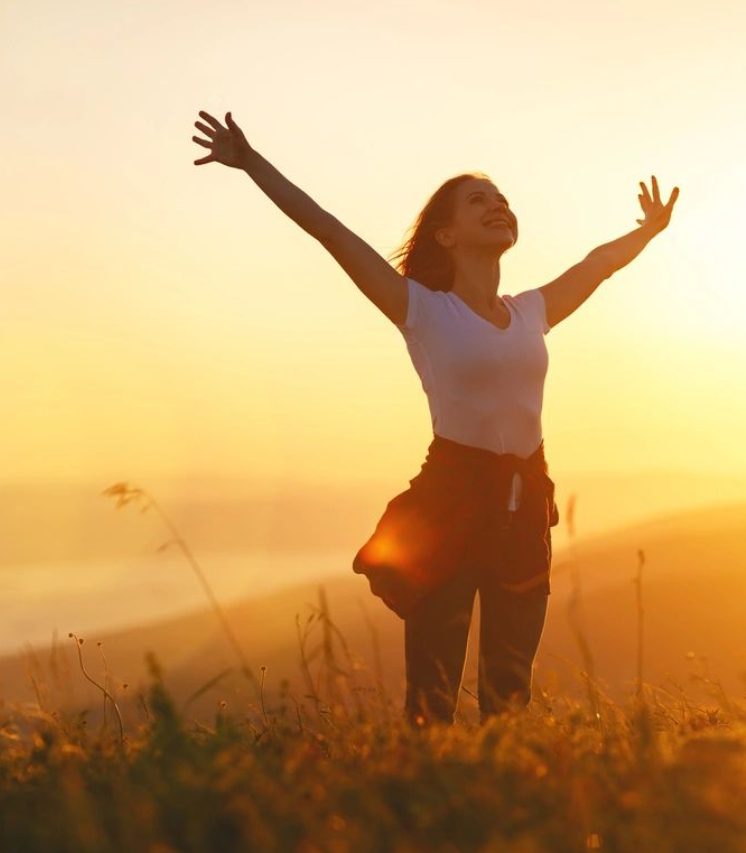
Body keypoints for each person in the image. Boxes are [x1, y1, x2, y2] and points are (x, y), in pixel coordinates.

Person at [191, 110, 679, 725]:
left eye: (502, 200)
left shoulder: (532, 311)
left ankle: (500, 797)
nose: (498, 206)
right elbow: (329, 231)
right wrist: (252, 163)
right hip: (451, 500)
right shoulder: (419, 308)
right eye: (479, 201)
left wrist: (649, 231)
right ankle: (425, 799)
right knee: (433, 691)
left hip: (525, 502)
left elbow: (597, 265)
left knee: (509, 688)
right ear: (445, 235)